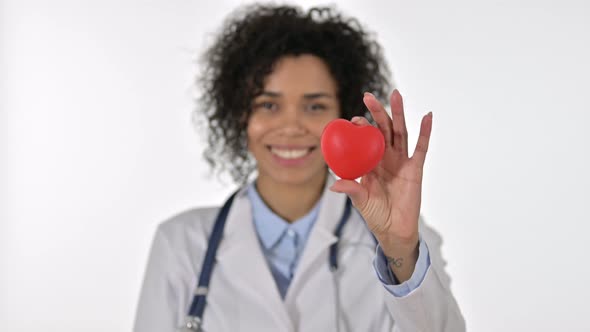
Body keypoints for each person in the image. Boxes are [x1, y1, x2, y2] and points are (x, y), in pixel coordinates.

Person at [133, 3, 465, 332]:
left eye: (315, 105)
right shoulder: (181, 244)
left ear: (343, 113)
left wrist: (400, 251)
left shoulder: (401, 239)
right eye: (268, 104)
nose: (291, 127)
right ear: (239, 116)